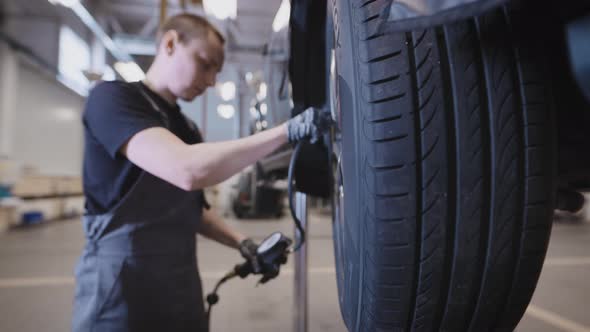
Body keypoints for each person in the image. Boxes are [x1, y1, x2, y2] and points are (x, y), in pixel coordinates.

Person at [72, 13, 327, 332]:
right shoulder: (113, 99)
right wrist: (287, 131)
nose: (210, 81)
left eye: (217, 72)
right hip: (120, 286)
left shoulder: (187, 128)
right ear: (170, 43)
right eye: (205, 64)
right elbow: (186, 170)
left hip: (180, 284)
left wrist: (244, 243)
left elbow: (193, 211)